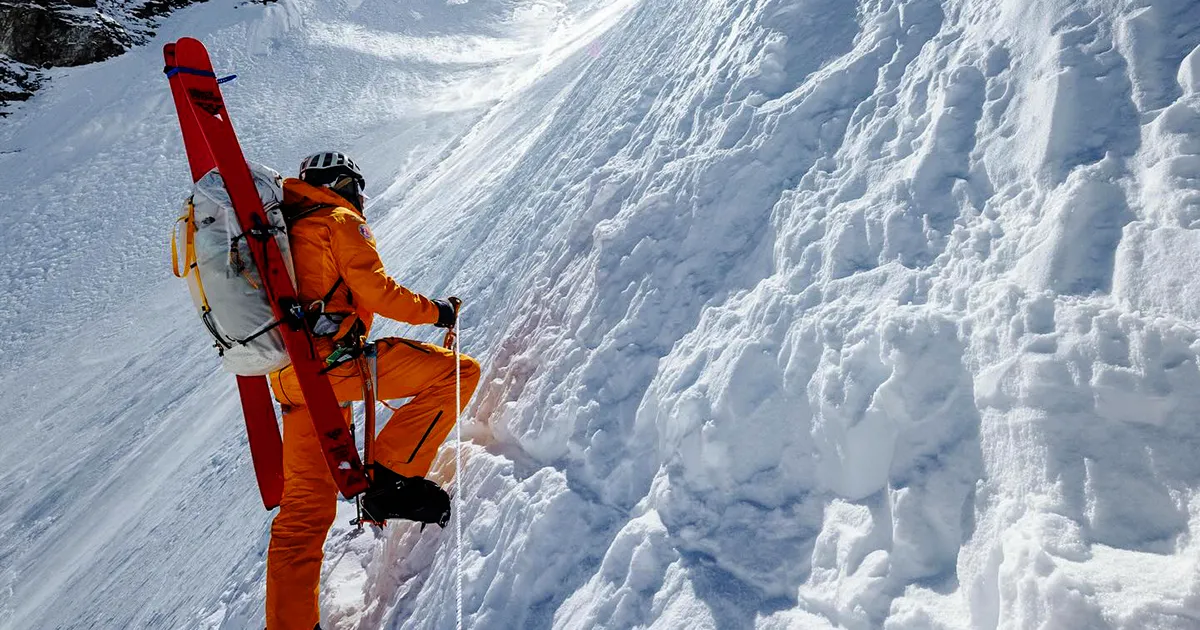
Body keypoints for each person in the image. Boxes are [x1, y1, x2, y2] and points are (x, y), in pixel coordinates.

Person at [263, 151, 481, 630]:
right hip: (333, 369)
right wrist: (439, 312)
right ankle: (390, 478)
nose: (360, 199)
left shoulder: (282, 232)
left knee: (302, 516)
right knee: (458, 372)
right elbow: (378, 291)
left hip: (290, 379)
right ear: (342, 184)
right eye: (356, 188)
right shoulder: (337, 220)